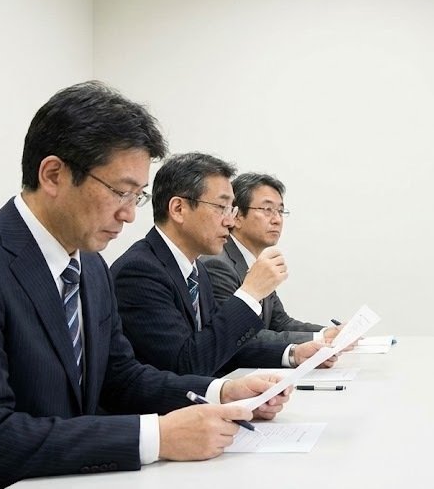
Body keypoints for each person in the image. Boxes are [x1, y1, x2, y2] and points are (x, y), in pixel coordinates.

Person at [0, 82, 289, 489]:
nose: (128, 214)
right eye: (120, 192)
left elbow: (121, 378)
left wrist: (221, 391)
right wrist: (157, 437)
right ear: (53, 175)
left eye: (137, 196)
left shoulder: (91, 265)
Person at [112, 153, 329, 377]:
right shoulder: (140, 271)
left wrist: (293, 353)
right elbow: (185, 364)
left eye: (231, 209)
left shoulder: (197, 271)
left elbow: (221, 344)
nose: (229, 220)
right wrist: (250, 293)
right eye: (221, 207)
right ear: (178, 209)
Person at [200, 173, 343, 367]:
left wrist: (326, 333)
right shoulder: (217, 264)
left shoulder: (257, 262)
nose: (277, 220)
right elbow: (238, 335)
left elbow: (280, 322)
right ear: (237, 216)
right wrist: (312, 344)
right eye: (267, 209)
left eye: (280, 211)